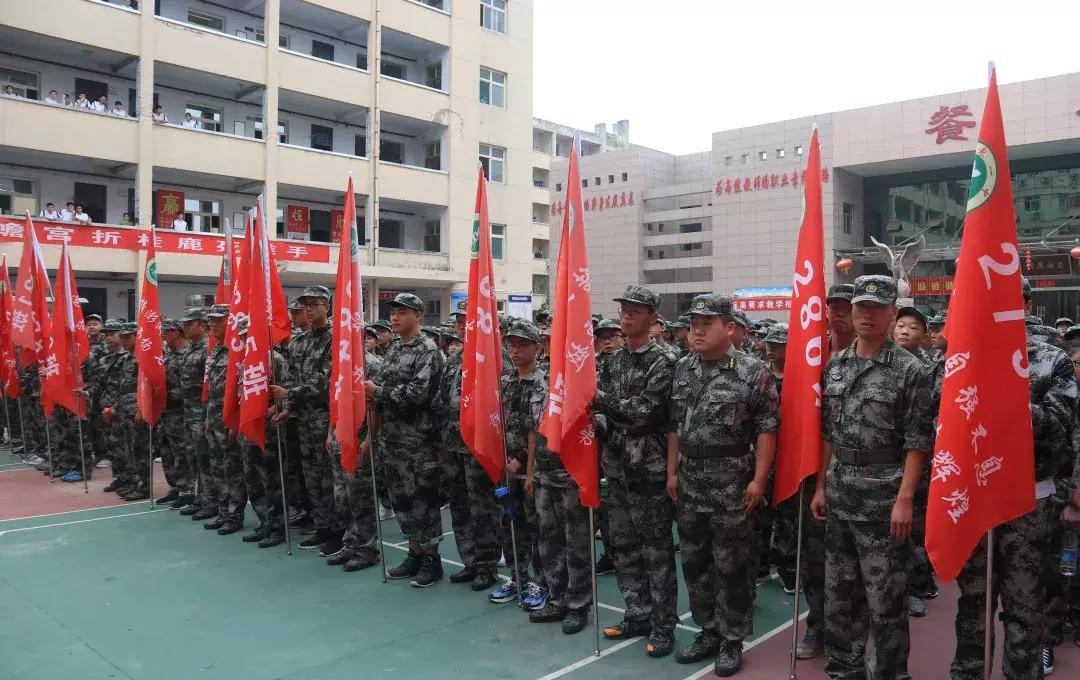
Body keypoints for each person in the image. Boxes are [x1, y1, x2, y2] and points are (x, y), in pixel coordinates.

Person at [950, 278, 1076, 680]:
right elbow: (939, 421)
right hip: (973, 497)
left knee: (1024, 601)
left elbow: (1060, 426)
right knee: (974, 599)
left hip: (1027, 501)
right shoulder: (960, 356)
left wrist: (1009, 400)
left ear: (1026, 305)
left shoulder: (1051, 360)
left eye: (1009, 299)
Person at [810, 275, 933, 680]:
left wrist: (905, 499)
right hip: (841, 494)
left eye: (878, 308)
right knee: (840, 595)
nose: (867, 315)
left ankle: (889, 673)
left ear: (892, 313)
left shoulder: (910, 370)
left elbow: (917, 440)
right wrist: (821, 486)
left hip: (885, 500)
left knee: (886, 600)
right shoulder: (836, 366)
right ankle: (844, 669)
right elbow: (828, 433)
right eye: (861, 306)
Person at [667, 293, 778, 677]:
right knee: (695, 561)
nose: (697, 331)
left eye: (706, 324)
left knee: (732, 565)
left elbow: (766, 430)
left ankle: (732, 639)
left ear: (729, 328)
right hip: (690, 480)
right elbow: (674, 426)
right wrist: (671, 472)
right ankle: (708, 630)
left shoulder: (752, 371)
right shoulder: (683, 368)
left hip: (732, 482)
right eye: (693, 324)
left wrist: (759, 480)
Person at [593, 285, 678, 657]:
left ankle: (663, 624)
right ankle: (637, 613)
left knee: (655, 551)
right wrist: (595, 417)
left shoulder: (665, 361)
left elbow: (644, 412)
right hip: (616, 467)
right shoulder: (612, 361)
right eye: (624, 309)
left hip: (649, 469)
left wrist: (600, 402)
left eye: (635, 310)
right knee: (623, 546)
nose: (626, 315)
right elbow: (607, 415)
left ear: (652, 317)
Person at [364, 293, 446, 587]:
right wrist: (376, 398)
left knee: (423, 502)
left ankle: (432, 560)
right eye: (393, 312)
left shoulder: (428, 350)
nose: (395, 317)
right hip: (393, 439)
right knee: (402, 501)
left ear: (418, 316)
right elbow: (386, 386)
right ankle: (414, 553)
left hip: (419, 442)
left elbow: (418, 394)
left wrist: (378, 392)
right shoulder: (395, 348)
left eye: (402, 312)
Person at [433, 301, 501, 591]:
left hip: (477, 447)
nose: (463, 326)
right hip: (452, 443)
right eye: (460, 321)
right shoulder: (454, 358)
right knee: (460, 506)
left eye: (468, 320)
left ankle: (487, 565)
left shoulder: (495, 358)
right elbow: (441, 399)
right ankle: (470, 561)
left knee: (482, 508)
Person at [273, 286, 337, 554]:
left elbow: (327, 381)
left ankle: (338, 532)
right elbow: (292, 377)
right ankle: (322, 528)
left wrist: (290, 394)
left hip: (326, 419)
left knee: (329, 478)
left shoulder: (336, 339)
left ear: (327, 307)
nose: (308, 309)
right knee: (311, 478)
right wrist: (287, 407)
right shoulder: (299, 342)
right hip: (304, 421)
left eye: (314, 304)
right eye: (305, 305)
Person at [891, 305, 943, 620]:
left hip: (921, 460)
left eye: (913, 327)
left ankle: (914, 584)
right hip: (886, 461)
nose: (905, 331)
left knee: (915, 526)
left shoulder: (932, 368)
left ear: (924, 335)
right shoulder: (881, 360)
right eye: (901, 325)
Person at [236, 317, 290, 549]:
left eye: (249, 335)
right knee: (253, 480)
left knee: (272, 480)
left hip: (269, 429)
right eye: (243, 337)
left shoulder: (275, 360)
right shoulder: (246, 362)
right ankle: (264, 522)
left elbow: (286, 395)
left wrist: (271, 410)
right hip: (250, 428)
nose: (246, 340)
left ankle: (277, 527)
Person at [204, 304, 246, 535]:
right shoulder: (216, 350)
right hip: (214, 417)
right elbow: (211, 388)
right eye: (211, 320)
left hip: (229, 419)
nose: (213, 324)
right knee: (217, 468)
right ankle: (223, 512)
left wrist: (235, 420)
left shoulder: (237, 350)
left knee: (232, 469)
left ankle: (234, 515)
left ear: (230, 322)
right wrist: (208, 418)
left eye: (218, 320)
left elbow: (240, 390)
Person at [177, 308, 213, 517]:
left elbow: (210, 385)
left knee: (205, 458)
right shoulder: (189, 349)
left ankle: (210, 501)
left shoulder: (208, 349)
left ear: (202, 325)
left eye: (189, 323)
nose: (185, 327)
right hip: (189, 411)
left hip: (202, 412)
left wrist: (207, 414)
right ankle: (199, 498)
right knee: (193, 457)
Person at [155, 318, 192, 505]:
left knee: (181, 452)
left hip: (179, 411)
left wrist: (166, 397)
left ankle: (187, 489)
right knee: (166, 450)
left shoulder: (187, 354)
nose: (162, 335)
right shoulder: (167, 354)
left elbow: (188, 386)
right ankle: (176, 487)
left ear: (175, 332)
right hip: (165, 412)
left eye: (165, 331)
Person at [826, 284, 855, 354]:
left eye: (849, 308)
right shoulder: (814, 350)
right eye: (835, 307)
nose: (840, 313)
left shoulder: (866, 353)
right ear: (827, 310)